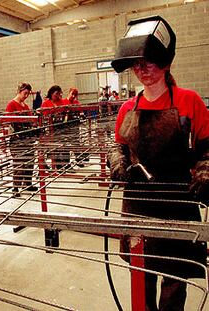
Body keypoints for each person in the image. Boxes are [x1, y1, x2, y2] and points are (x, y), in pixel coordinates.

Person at [108, 15, 209, 311]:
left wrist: (205, 174)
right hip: (138, 205)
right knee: (141, 274)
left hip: (178, 201)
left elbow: (207, 150)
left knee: (174, 279)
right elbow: (119, 146)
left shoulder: (189, 102)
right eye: (137, 64)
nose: (143, 70)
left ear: (165, 63)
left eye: (149, 62)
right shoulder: (128, 108)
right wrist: (117, 162)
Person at [6, 82, 38, 197]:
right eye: (25, 93)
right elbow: (11, 121)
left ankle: (28, 184)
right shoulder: (11, 104)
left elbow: (29, 119)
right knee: (19, 163)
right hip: (17, 138)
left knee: (30, 161)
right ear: (20, 91)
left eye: (28, 94)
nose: (26, 96)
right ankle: (16, 188)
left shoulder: (25, 106)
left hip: (27, 137)